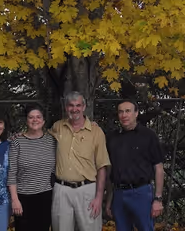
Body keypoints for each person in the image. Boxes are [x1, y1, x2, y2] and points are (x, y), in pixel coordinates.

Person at [50, 91, 111, 231]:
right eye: (71, 105)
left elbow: (102, 166)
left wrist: (99, 197)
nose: (74, 109)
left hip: (87, 190)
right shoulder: (57, 127)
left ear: (84, 107)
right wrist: (20, 136)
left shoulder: (96, 132)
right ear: (66, 108)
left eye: (78, 105)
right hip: (61, 190)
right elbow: (38, 137)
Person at [105, 99, 165, 231]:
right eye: (121, 112)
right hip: (119, 194)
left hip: (141, 193)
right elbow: (109, 171)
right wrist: (109, 199)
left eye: (128, 111)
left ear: (136, 113)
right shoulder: (112, 138)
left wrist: (158, 199)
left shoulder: (148, 135)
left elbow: (159, 168)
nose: (124, 115)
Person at [7, 104, 56, 231]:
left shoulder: (52, 141)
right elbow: (11, 173)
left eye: (38, 117)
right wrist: (15, 200)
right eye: (31, 117)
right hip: (23, 198)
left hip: (46, 197)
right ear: (26, 120)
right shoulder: (17, 142)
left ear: (43, 121)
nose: (35, 120)